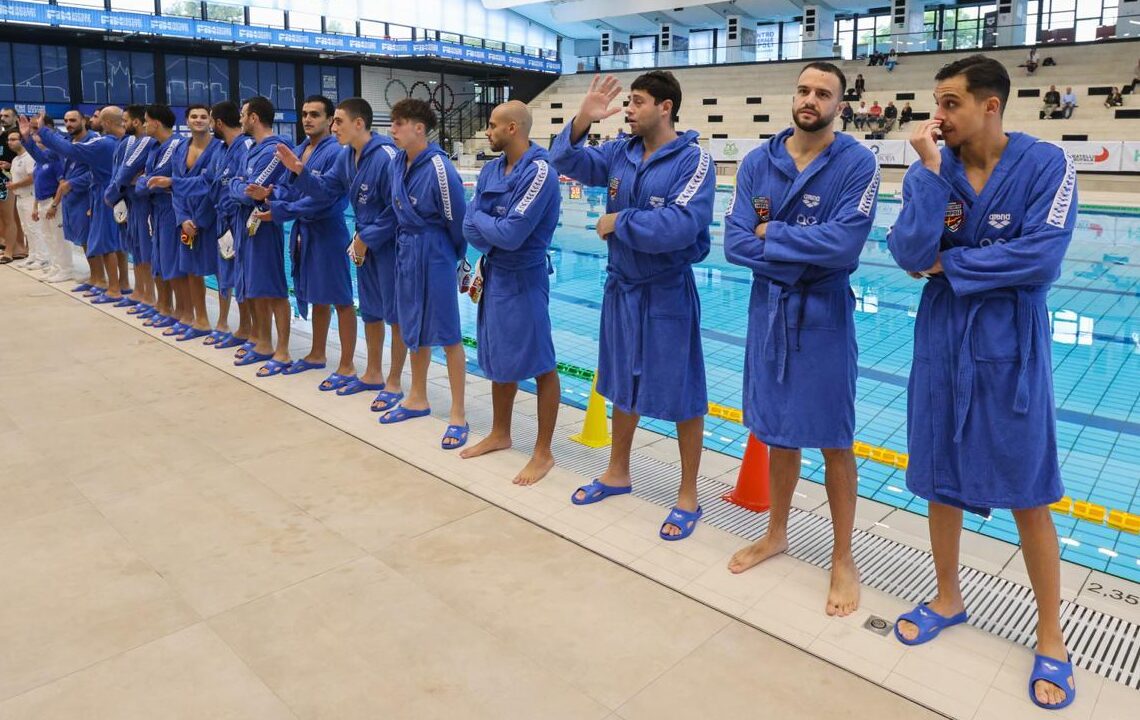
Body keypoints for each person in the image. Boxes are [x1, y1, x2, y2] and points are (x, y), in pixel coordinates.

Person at [887, 55, 1076, 711]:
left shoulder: (1046, 165)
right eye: (937, 103)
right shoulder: (928, 169)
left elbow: (1042, 257)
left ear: (990, 106)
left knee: (1029, 487)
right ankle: (948, 595)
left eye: (950, 104)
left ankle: (1051, 635)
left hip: (1010, 348)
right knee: (939, 474)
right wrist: (935, 181)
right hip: (942, 343)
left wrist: (953, 261)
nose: (936, 117)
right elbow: (908, 253)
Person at [724, 62, 878, 616]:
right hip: (769, 311)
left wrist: (774, 235)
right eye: (804, 90)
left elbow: (844, 248)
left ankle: (843, 557)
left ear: (840, 104)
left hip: (825, 313)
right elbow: (735, 245)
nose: (810, 99)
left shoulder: (857, 163)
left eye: (823, 93)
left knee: (835, 439)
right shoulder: (757, 163)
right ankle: (777, 532)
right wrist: (796, 245)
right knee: (777, 432)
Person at [551, 71, 715, 540]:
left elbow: (682, 225)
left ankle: (688, 494)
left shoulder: (693, 160)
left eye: (638, 102)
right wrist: (584, 116)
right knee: (619, 382)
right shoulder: (619, 152)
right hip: (621, 290)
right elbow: (563, 159)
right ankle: (617, 471)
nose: (629, 109)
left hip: (666, 292)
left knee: (684, 394)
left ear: (666, 107)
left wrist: (618, 221)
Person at [282, 97, 408, 411]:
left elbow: (400, 207)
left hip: (390, 244)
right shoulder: (348, 157)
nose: (333, 127)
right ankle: (373, 372)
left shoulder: (386, 157)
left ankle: (394, 381)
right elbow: (326, 189)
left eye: (338, 121)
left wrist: (368, 236)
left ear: (359, 124)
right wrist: (300, 171)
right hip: (365, 242)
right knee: (371, 311)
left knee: (395, 316)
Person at [460, 100, 562, 485]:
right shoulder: (490, 169)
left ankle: (543, 451)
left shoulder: (540, 172)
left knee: (540, 363)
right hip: (495, 273)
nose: (487, 132)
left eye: (491, 125)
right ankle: (501, 433)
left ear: (513, 129)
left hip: (525, 278)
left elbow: (513, 234)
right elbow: (471, 229)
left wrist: (486, 223)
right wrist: (492, 225)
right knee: (498, 355)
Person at [380, 98, 469, 449]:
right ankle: (417, 397)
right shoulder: (398, 162)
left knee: (447, 334)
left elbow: (457, 222)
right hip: (406, 250)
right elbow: (394, 208)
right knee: (412, 324)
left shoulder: (440, 168)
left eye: (399, 124)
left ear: (419, 128)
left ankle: (459, 413)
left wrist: (451, 259)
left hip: (434, 252)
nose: (393, 130)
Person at [256, 96, 358, 387]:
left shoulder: (337, 153)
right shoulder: (300, 149)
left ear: (329, 120)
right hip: (305, 231)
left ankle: (348, 364)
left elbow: (324, 200)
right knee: (317, 295)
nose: (307, 119)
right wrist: (270, 195)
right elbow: (290, 189)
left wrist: (281, 210)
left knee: (341, 298)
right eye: (304, 114)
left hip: (327, 231)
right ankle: (316, 353)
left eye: (315, 114)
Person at [29, 107, 129, 303]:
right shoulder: (119, 141)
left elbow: (72, 151)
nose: (92, 119)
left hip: (104, 193)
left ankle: (114, 289)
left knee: (107, 242)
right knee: (115, 242)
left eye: (96, 116)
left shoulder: (103, 143)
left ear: (106, 122)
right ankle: (121, 283)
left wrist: (43, 130)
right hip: (110, 191)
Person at [227, 96, 293, 375]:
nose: (240, 119)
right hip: (249, 225)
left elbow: (253, 190)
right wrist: (240, 187)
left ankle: (284, 350)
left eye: (243, 114)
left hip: (265, 225)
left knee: (274, 288)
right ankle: (264, 342)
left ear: (254, 117)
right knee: (255, 286)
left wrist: (241, 188)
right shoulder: (251, 149)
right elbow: (235, 185)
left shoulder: (275, 149)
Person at [204, 100, 255, 350]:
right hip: (224, 221)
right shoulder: (221, 149)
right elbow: (208, 181)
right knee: (228, 274)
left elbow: (245, 186)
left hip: (240, 220)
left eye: (211, 120)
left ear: (219, 122)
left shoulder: (245, 146)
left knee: (243, 275)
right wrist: (172, 182)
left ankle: (250, 327)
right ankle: (241, 326)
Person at [170, 104, 222, 341]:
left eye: (203, 117)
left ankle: (222, 322)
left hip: (211, 218)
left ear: (211, 121)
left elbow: (216, 188)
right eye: (194, 116)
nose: (199, 120)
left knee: (223, 271)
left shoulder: (220, 149)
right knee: (191, 268)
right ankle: (200, 319)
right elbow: (175, 186)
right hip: (186, 218)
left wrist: (199, 220)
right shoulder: (181, 147)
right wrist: (183, 218)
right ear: (187, 120)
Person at [26, 110, 94, 289]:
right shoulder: (68, 142)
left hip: (86, 195)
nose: (69, 123)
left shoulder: (93, 141)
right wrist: (27, 139)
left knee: (90, 238)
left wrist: (73, 183)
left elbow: (99, 171)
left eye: (73, 120)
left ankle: (98, 276)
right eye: (66, 121)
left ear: (84, 121)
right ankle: (95, 274)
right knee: (82, 238)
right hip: (72, 197)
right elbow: (43, 157)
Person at [135, 105, 183, 331]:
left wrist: (144, 181)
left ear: (156, 123)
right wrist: (146, 181)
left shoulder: (175, 145)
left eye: (146, 121)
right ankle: (164, 307)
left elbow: (150, 181)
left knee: (170, 260)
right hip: (157, 208)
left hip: (170, 209)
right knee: (159, 260)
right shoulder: (156, 147)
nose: (144, 125)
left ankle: (177, 310)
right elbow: (148, 181)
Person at [108, 105, 158, 316]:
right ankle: (140, 291)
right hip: (130, 199)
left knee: (144, 249)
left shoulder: (145, 141)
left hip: (141, 201)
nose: (124, 124)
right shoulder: (129, 141)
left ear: (136, 122)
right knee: (135, 247)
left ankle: (150, 296)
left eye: (126, 120)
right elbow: (121, 171)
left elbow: (126, 170)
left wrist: (110, 195)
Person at [25, 122, 66, 282]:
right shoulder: (39, 161)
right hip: (41, 201)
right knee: (48, 237)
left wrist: (54, 205)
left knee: (58, 237)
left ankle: (65, 268)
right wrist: (35, 206)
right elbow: (37, 184)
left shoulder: (55, 159)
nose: (37, 141)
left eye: (40, 138)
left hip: (53, 201)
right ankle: (55, 266)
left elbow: (62, 185)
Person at [6, 130, 46, 272]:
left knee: (35, 229)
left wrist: (14, 185)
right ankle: (32, 256)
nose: (9, 142)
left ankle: (42, 259)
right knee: (26, 229)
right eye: (9, 140)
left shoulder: (29, 157)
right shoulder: (16, 159)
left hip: (30, 196)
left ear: (21, 140)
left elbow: (32, 178)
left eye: (13, 139)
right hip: (20, 198)